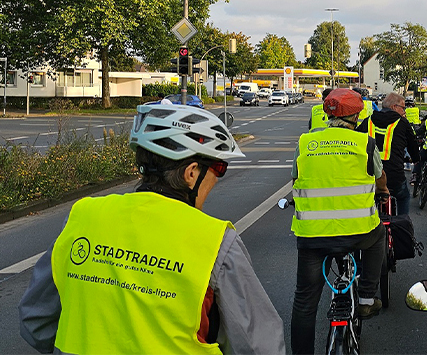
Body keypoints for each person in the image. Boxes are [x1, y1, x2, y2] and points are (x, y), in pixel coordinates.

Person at [18, 104, 286, 354]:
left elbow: (35, 320)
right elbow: (259, 345)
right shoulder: (214, 242)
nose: (218, 177)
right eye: (219, 167)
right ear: (191, 172)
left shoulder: (83, 217)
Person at [290, 88, 390, 354]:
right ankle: (367, 297)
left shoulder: (305, 142)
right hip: (358, 232)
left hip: (312, 235)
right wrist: (382, 191)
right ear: (357, 116)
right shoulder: (364, 143)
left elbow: (295, 179)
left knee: (304, 304)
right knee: (379, 236)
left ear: (326, 114)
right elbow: (379, 176)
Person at [357, 92, 420, 215]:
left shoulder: (368, 121)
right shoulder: (402, 123)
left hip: (370, 175)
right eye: (403, 108)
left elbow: (356, 140)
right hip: (394, 175)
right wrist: (416, 159)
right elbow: (413, 145)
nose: (404, 111)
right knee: (403, 197)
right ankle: (404, 228)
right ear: (394, 107)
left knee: (366, 199)